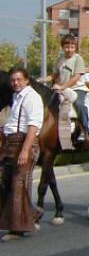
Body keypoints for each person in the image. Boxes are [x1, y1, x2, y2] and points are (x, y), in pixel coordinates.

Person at [0, 67, 44, 242]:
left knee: (19, 185)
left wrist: (25, 150)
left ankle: (17, 229)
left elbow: (33, 126)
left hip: (25, 143)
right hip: (12, 143)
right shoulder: (16, 97)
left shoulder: (32, 97)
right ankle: (32, 212)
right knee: (4, 180)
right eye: (13, 80)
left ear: (27, 80)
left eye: (19, 79)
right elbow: (13, 122)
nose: (15, 83)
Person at [49, 34, 89, 143]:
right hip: (63, 89)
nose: (69, 49)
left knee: (78, 104)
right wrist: (40, 80)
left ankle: (84, 129)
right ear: (62, 47)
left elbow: (76, 77)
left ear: (75, 48)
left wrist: (62, 86)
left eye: (72, 47)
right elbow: (54, 75)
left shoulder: (78, 59)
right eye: (67, 47)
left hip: (77, 88)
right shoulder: (60, 60)